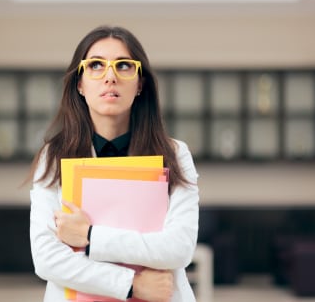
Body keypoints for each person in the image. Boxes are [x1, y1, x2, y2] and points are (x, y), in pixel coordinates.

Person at [28, 25, 199, 302]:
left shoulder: (175, 154)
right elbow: (47, 259)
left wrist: (90, 236)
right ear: (80, 84)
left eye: (124, 66)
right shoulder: (54, 155)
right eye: (96, 65)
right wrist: (131, 285)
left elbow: (178, 248)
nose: (110, 76)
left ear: (140, 84)